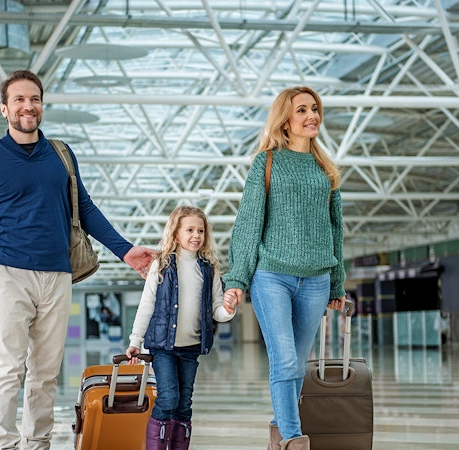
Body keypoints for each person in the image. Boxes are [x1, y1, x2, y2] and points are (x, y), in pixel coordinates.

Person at [0, 69, 155, 450]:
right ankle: (2, 445)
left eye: (34, 99)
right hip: (10, 274)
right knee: (6, 370)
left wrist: (125, 250)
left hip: (57, 276)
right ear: (4, 109)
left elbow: (84, 206)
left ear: (42, 105)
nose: (27, 106)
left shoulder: (60, 155)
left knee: (45, 373)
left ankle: (37, 444)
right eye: (18, 99)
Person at [222, 86, 346, 450]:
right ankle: (294, 440)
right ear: (285, 121)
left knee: (298, 366)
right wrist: (237, 279)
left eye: (315, 109)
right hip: (271, 276)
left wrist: (336, 284)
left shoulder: (326, 169)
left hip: (316, 279)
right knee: (286, 360)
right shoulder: (267, 161)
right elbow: (248, 222)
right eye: (302, 110)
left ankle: (279, 431)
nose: (312, 116)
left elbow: (336, 229)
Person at [125, 205, 237, 450]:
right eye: (189, 230)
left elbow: (217, 309)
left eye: (200, 230)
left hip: (191, 348)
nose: (196, 235)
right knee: (168, 398)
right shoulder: (162, 265)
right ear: (175, 233)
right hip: (163, 347)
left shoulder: (209, 269)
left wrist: (229, 309)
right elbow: (147, 305)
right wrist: (135, 340)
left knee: (184, 405)